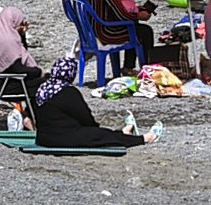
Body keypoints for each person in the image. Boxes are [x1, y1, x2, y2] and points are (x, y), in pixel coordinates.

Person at [32, 51, 160, 149]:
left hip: (44, 138)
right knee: (101, 136)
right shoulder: (67, 92)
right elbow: (84, 117)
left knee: (101, 134)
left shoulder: (42, 89)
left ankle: (123, 132)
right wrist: (94, 130)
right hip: (63, 138)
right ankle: (144, 139)